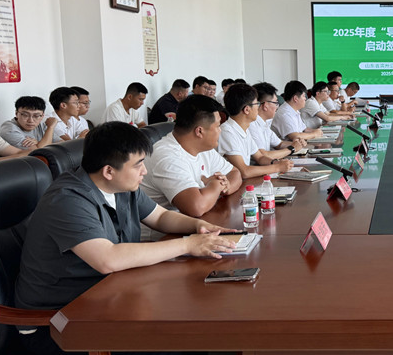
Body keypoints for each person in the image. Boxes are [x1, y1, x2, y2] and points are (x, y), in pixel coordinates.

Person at [15, 122, 236, 355]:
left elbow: (160, 217)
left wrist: (199, 226)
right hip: (58, 321)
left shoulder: (121, 186)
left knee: (192, 321)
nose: (144, 171)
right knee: (177, 338)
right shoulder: (67, 200)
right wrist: (187, 244)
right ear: (109, 171)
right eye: (138, 164)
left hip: (109, 295)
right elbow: (107, 259)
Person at [140, 95, 242, 237]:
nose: (220, 131)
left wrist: (227, 186)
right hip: (163, 239)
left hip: (194, 227)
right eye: (218, 126)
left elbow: (235, 173)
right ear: (199, 131)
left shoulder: (203, 148)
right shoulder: (167, 156)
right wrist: (217, 184)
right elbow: (196, 207)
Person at [217, 83, 295, 179]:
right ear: (247, 110)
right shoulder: (227, 132)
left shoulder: (244, 129)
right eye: (256, 104)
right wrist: (277, 167)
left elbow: (260, 157)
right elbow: (244, 171)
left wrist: (276, 162)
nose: (258, 107)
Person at [249, 82, 307, 156]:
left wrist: (297, 144)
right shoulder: (252, 125)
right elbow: (263, 155)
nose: (277, 107)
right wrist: (292, 148)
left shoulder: (265, 123)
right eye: (276, 103)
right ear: (265, 106)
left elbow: (279, 144)